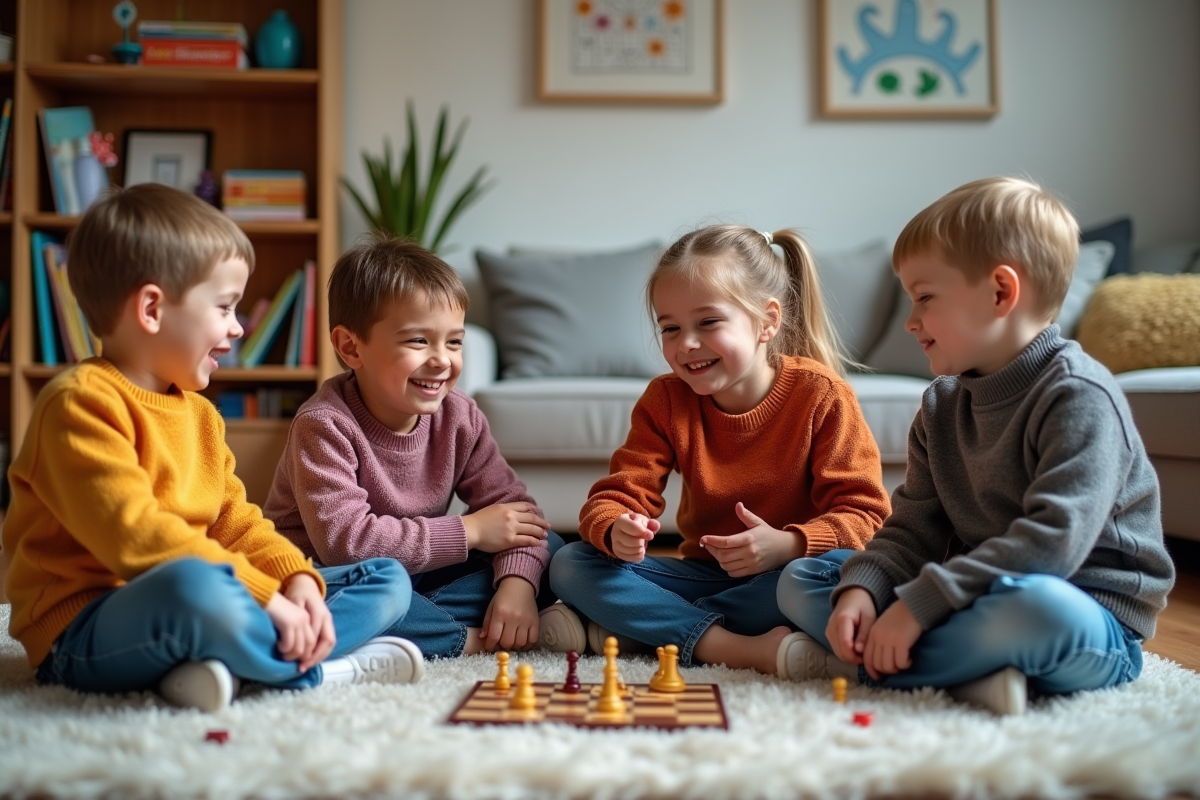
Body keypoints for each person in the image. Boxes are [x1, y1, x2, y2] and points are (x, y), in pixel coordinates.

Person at [1, 184, 421, 715]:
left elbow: (235, 521)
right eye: (224, 307)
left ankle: (224, 666)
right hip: (83, 630)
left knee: (384, 577)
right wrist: (263, 595)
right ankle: (321, 671)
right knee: (196, 587)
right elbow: (137, 540)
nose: (238, 327)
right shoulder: (77, 406)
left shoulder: (199, 414)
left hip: (203, 597)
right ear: (152, 309)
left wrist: (293, 579)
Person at [775, 177, 1177, 715]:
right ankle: (967, 675)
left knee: (1038, 609)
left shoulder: (1080, 397)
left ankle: (865, 666)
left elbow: (1051, 547)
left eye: (923, 298)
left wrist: (920, 605)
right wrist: (865, 593)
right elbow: (913, 527)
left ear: (1000, 292)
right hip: (975, 599)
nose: (912, 321)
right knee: (803, 578)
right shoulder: (942, 404)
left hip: (1085, 614)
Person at [550, 225, 891, 675]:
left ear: (767, 321)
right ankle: (729, 645)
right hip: (703, 577)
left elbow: (867, 517)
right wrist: (616, 528)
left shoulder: (822, 396)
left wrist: (788, 544)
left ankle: (646, 626)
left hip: (787, 578)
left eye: (708, 322)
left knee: (832, 575)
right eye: (669, 328)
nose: (686, 344)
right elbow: (617, 494)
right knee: (571, 563)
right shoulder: (666, 400)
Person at [264, 236, 579, 659]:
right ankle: (466, 638)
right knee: (383, 592)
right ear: (350, 347)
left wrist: (516, 589)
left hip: (418, 575)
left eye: (454, 342)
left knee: (549, 552)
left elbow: (516, 513)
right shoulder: (323, 425)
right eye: (418, 341)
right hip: (337, 579)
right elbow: (348, 545)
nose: (442, 360)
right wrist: (470, 530)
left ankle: (401, 631)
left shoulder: (459, 416)